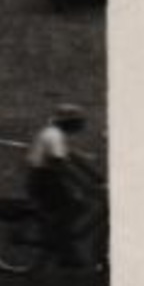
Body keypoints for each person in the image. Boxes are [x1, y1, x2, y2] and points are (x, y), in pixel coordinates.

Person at [25, 104, 102, 265]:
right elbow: (60, 164)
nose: (81, 126)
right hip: (43, 180)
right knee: (74, 207)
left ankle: (61, 241)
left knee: (78, 206)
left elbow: (74, 157)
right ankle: (63, 248)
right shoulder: (54, 136)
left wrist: (98, 178)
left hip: (49, 177)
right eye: (78, 122)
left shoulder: (58, 134)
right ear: (69, 123)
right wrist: (84, 185)